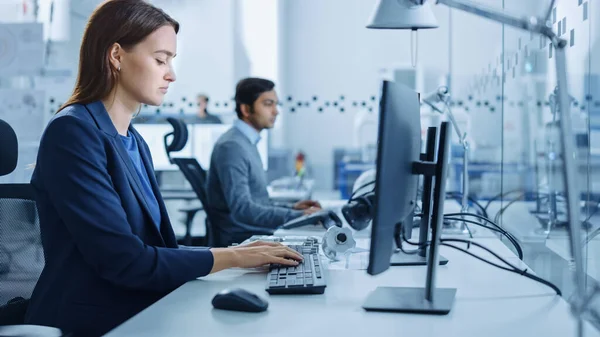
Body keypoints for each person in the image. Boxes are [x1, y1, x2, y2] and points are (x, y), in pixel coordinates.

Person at [24, 1, 302, 336]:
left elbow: (157, 251)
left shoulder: (134, 140)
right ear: (116, 56)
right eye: (160, 60)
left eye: (171, 61)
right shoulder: (73, 133)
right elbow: (125, 261)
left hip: (138, 308)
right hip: (93, 322)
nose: (171, 74)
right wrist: (234, 258)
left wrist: (239, 253)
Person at [206, 77, 322, 247]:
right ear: (246, 109)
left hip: (251, 234)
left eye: (276, 104)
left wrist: (292, 208)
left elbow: (258, 201)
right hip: (240, 241)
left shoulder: (245, 142)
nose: (275, 111)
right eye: (268, 104)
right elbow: (243, 210)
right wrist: (301, 217)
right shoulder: (232, 146)